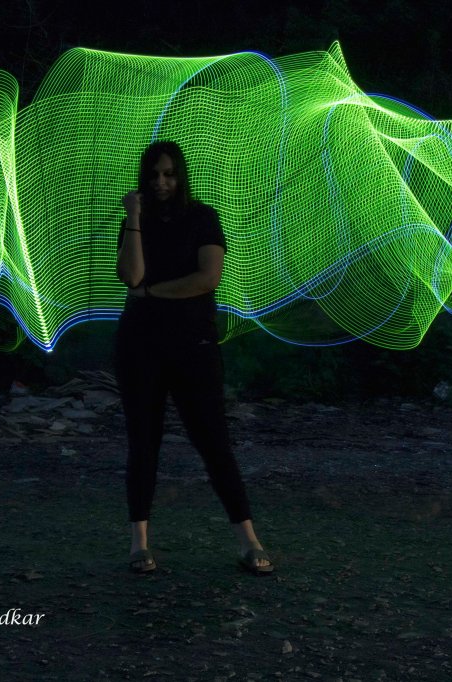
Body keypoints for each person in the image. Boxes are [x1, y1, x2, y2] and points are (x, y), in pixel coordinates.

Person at [114, 140, 274, 576]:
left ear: (180, 175)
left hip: (193, 345)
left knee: (214, 441)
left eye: (169, 174)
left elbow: (206, 279)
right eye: (153, 175)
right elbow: (130, 275)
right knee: (143, 443)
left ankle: (249, 541)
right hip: (140, 345)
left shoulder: (203, 218)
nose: (161, 182)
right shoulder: (136, 221)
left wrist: (151, 293)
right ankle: (139, 544)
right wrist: (134, 218)